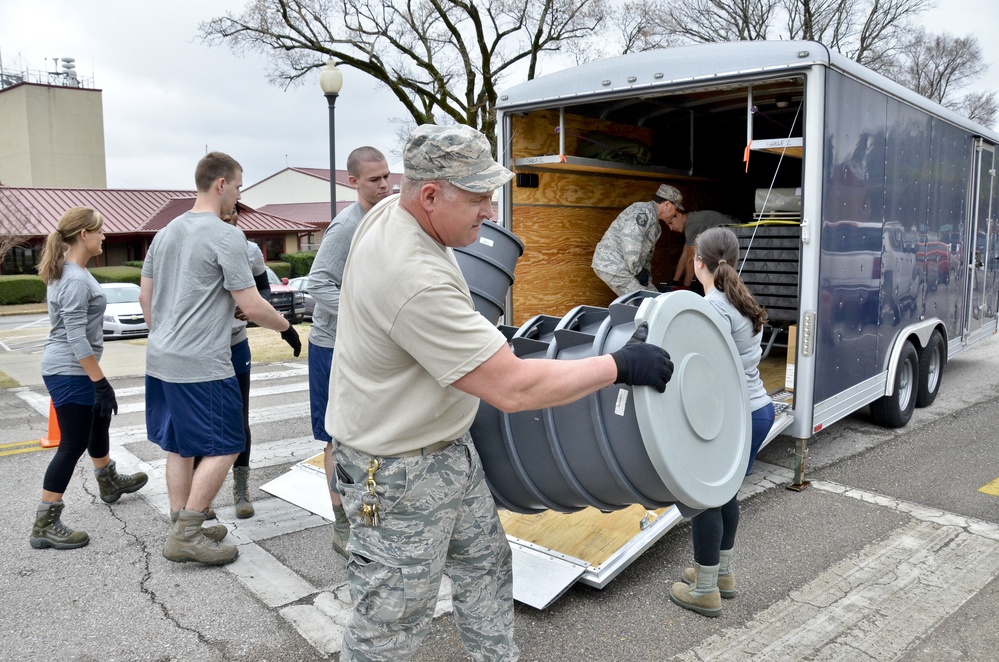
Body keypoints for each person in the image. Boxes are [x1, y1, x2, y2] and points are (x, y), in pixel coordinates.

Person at [327, 123, 674, 660]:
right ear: (429, 194)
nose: (491, 211)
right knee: (391, 623)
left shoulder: (389, 214)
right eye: (478, 198)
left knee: (486, 567)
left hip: (446, 450)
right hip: (395, 472)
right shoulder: (412, 277)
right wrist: (619, 364)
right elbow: (513, 387)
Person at [140, 152, 301, 566]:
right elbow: (252, 304)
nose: (238, 196)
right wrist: (286, 327)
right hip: (202, 362)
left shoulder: (165, 233)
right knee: (228, 443)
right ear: (221, 185)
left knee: (179, 444)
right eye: (239, 187)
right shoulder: (226, 237)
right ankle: (188, 533)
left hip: (160, 358)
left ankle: (181, 521)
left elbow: (147, 298)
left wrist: (166, 336)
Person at [668, 226, 776, 618]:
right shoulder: (739, 301)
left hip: (736, 418)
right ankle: (721, 573)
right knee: (726, 494)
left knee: (705, 499)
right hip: (759, 410)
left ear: (699, 261)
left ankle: (705, 590)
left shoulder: (711, 307)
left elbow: (695, 367)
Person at [30, 207, 148, 550]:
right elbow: (75, 337)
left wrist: (97, 383)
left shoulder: (73, 272)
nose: (104, 237)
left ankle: (108, 480)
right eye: (100, 231)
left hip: (73, 367)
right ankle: (45, 522)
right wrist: (101, 382)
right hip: (68, 369)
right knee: (71, 444)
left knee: (99, 419)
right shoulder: (74, 279)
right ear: (84, 234)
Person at [307, 146, 392, 558]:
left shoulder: (387, 217)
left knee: (371, 438)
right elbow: (316, 285)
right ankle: (342, 526)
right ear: (352, 182)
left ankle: (370, 519)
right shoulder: (345, 227)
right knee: (336, 440)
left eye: (388, 176)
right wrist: (362, 316)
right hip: (331, 346)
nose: (385, 185)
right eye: (375, 179)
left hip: (366, 346)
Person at [591, 183, 678, 296]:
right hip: (612, 263)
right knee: (649, 301)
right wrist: (638, 271)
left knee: (651, 298)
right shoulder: (643, 211)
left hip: (623, 266)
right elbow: (630, 239)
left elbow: (646, 255)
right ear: (667, 204)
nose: (676, 213)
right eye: (676, 208)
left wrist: (646, 276)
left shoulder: (656, 226)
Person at [659, 185, 736, 294]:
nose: (671, 228)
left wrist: (685, 290)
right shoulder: (689, 224)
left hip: (735, 243)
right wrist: (675, 282)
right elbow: (685, 255)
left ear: (679, 215)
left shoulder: (692, 225)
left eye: (670, 223)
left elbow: (691, 259)